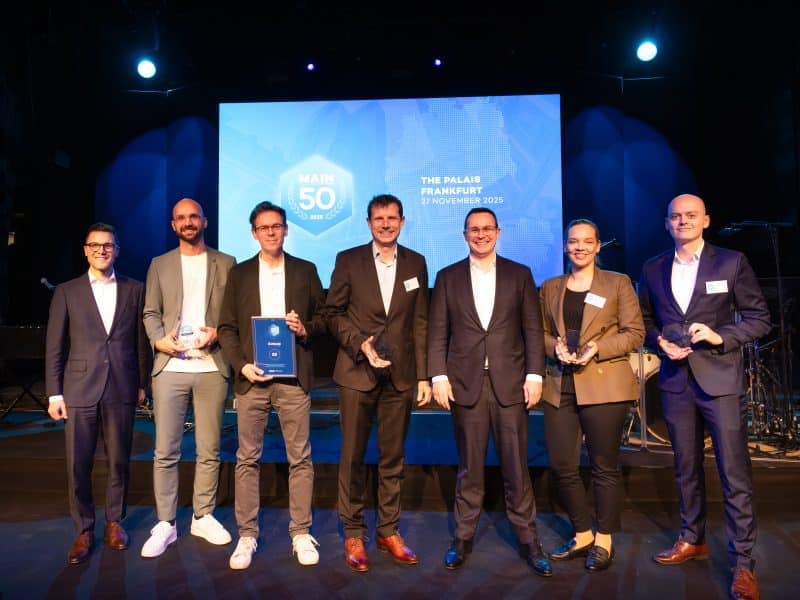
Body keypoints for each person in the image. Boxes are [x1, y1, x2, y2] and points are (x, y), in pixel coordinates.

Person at [639, 194, 770, 600]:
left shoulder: (730, 262)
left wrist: (720, 336)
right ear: (667, 223)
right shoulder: (653, 267)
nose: (683, 221)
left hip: (720, 383)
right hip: (676, 382)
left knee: (734, 473)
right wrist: (659, 340)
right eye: (676, 216)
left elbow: (759, 319)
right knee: (686, 468)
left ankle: (743, 563)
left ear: (706, 220)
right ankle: (692, 538)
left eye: (691, 215)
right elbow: (644, 320)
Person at [427, 207, 552, 577]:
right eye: (474, 229)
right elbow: (437, 331)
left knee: (516, 467)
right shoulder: (447, 276)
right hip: (465, 384)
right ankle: (463, 537)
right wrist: (438, 375)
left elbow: (532, 330)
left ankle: (529, 540)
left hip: (510, 384)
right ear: (464, 234)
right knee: (469, 468)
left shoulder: (519, 274)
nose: (480, 235)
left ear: (498, 232)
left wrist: (535, 375)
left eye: (487, 229)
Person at [218, 201, 326, 570]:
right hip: (253, 379)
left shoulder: (306, 270)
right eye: (264, 227)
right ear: (254, 233)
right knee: (247, 458)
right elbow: (227, 327)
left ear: (285, 229)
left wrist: (305, 328)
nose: (271, 232)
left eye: (276, 226)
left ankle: (301, 532)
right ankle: (247, 534)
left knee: (301, 458)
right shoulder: (240, 274)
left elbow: (324, 318)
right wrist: (242, 365)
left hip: (293, 379)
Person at [325, 194, 430, 572]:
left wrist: (423, 375)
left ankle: (388, 530)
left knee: (393, 457)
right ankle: (354, 531)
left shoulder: (416, 262)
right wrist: (360, 344)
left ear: (402, 222)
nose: (386, 224)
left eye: (392, 218)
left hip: (400, 376)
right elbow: (332, 313)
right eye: (379, 219)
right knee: (352, 456)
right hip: (357, 373)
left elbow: (420, 322)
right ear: (369, 223)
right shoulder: (348, 260)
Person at [539, 219, 644, 572]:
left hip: (604, 385)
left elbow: (635, 333)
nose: (579, 247)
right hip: (560, 386)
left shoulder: (617, 283)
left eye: (587, 241)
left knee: (603, 465)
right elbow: (537, 332)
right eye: (573, 241)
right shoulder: (551, 287)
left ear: (598, 246)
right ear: (565, 246)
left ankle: (604, 538)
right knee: (561, 465)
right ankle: (583, 533)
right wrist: (553, 347)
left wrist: (597, 347)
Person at [45, 223, 150, 565]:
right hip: (78, 389)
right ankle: (84, 528)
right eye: (95, 245)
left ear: (117, 250)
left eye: (107, 245)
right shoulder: (67, 291)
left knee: (119, 460)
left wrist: (142, 383)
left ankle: (114, 522)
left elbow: (141, 341)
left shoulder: (135, 289)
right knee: (79, 463)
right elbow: (55, 346)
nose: (101, 250)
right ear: (85, 250)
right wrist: (54, 394)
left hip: (121, 385)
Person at [140, 198, 236, 558]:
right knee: (165, 451)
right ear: (173, 225)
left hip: (211, 367)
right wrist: (158, 340)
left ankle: (202, 516)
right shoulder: (159, 264)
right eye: (181, 218)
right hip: (171, 368)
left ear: (205, 221)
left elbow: (233, 314)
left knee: (209, 449)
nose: (188, 222)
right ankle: (166, 522)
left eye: (194, 216)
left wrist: (218, 332)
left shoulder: (226, 262)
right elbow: (150, 312)